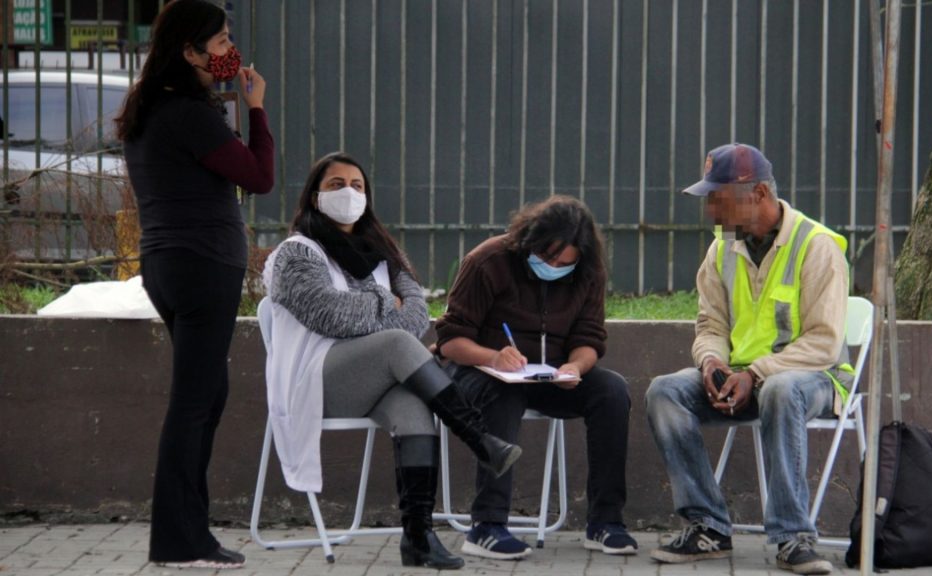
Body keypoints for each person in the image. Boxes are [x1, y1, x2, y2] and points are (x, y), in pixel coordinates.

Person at [261, 152, 522, 570]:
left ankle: (418, 538)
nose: (349, 193)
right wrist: (385, 300)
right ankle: (479, 439)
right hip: (315, 379)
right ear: (314, 197)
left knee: (415, 409)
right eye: (335, 185)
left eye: (357, 186)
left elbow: (418, 318)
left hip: (375, 376)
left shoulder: (384, 250)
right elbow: (331, 316)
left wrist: (374, 307)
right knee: (396, 342)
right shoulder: (297, 254)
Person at [115, 0, 274, 569]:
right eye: (221, 40)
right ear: (189, 51)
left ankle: (189, 533)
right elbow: (259, 177)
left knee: (208, 395)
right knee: (193, 402)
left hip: (168, 263)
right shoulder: (187, 112)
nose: (229, 51)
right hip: (202, 264)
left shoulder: (152, 106)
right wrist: (256, 110)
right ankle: (180, 540)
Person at [645, 143, 853, 575]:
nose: (711, 211)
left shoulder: (816, 247)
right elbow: (710, 326)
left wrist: (755, 373)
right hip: (742, 378)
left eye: (719, 199)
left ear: (758, 194)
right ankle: (708, 527)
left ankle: (793, 537)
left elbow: (825, 342)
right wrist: (712, 365)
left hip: (814, 379)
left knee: (779, 388)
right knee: (665, 391)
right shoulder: (721, 250)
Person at [435, 195, 638, 560]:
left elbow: (589, 339)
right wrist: (493, 356)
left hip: (546, 375)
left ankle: (605, 523)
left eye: (565, 263)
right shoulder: (488, 261)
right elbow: (450, 341)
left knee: (611, 391)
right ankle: (487, 527)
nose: (555, 266)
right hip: (477, 372)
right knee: (503, 395)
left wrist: (575, 367)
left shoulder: (588, 274)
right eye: (547, 258)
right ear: (529, 241)